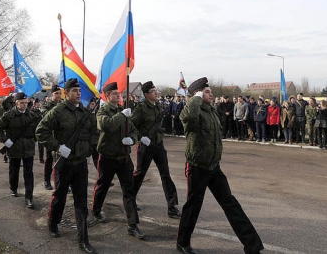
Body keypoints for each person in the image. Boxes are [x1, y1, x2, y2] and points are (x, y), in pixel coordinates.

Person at [177, 77, 264, 254]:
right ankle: (182, 243)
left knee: (230, 203)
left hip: (214, 167)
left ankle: (252, 245)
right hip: (197, 166)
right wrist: (196, 98)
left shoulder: (211, 110)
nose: (211, 94)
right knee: (193, 206)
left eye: (209, 91)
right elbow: (187, 117)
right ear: (198, 94)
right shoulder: (193, 111)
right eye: (207, 92)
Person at [35, 78, 97, 254]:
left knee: (81, 201)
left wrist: (88, 146)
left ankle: (83, 239)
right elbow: (41, 131)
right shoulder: (58, 111)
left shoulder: (85, 112)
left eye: (79, 91)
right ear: (66, 93)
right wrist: (57, 146)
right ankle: (53, 223)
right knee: (60, 197)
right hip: (64, 164)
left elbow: (95, 132)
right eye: (75, 90)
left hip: (80, 164)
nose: (78, 93)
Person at [89, 82, 145, 239]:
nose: (118, 95)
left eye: (119, 93)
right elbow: (107, 126)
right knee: (103, 185)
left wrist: (132, 140)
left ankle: (132, 224)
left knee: (129, 190)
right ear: (107, 97)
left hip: (124, 158)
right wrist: (122, 116)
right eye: (114, 94)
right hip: (107, 157)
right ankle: (96, 210)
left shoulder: (124, 112)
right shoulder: (102, 112)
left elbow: (134, 131)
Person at [131, 81, 180, 218]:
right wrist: (141, 138)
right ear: (146, 94)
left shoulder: (158, 105)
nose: (156, 92)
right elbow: (131, 125)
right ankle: (130, 200)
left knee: (166, 175)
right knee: (139, 175)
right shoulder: (140, 108)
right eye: (153, 91)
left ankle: (172, 206)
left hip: (158, 145)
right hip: (146, 146)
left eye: (156, 90)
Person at [0, 92, 40, 209]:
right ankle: (13, 188)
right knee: (14, 170)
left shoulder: (32, 116)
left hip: (28, 148)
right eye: (22, 103)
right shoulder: (9, 115)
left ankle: (29, 197)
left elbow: (38, 129)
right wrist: (4, 140)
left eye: (26, 103)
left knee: (28, 173)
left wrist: (34, 139)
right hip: (14, 147)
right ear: (16, 103)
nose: (25, 105)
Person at [39, 84, 62, 190]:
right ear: (52, 94)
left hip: (61, 136)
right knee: (49, 159)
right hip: (50, 137)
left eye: (60, 93)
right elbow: (46, 116)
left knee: (62, 160)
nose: (58, 95)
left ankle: (61, 181)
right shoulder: (46, 106)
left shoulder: (63, 104)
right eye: (56, 93)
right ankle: (47, 181)